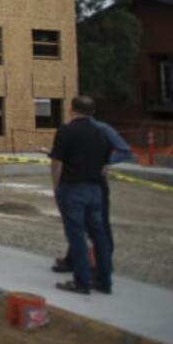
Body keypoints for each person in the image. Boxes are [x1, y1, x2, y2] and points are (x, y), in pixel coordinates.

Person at [49, 96, 114, 295]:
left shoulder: (66, 131)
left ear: (72, 109)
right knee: (99, 235)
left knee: (76, 235)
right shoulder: (102, 133)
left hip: (72, 188)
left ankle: (82, 281)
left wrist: (56, 187)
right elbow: (106, 166)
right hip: (95, 189)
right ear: (92, 112)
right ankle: (104, 280)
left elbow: (57, 162)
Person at [53, 117, 131, 274]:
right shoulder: (84, 130)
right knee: (80, 226)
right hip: (84, 181)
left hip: (92, 182)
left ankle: (101, 268)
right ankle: (74, 261)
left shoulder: (101, 129)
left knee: (97, 227)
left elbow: (125, 151)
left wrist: (105, 161)